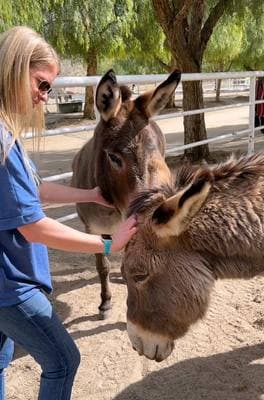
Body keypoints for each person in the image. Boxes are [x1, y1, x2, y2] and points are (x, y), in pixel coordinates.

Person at [0, 26, 137, 400]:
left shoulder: (5, 134)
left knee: (0, 355)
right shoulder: (2, 141)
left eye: (50, 89)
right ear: (14, 69)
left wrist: (90, 192)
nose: (45, 98)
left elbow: (31, 193)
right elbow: (33, 227)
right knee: (62, 360)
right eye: (42, 85)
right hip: (9, 283)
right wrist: (108, 244)